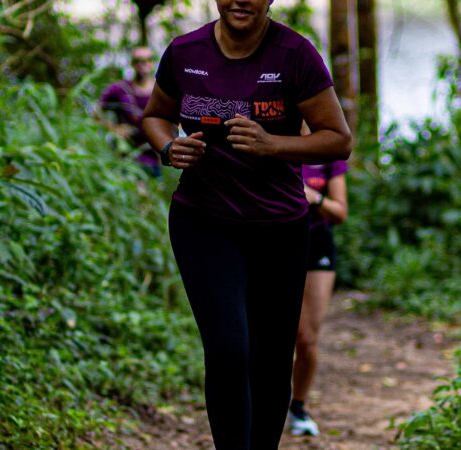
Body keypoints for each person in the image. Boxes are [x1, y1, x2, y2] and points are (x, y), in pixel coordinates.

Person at [141, 0, 352, 447]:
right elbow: (156, 115)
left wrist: (273, 145)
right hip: (204, 222)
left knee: (272, 360)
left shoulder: (295, 54)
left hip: (279, 229)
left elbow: (338, 139)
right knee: (228, 351)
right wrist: (168, 148)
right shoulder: (185, 52)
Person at [288, 160, 349, 436]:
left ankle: (298, 407)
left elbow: (340, 212)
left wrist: (315, 197)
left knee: (306, 337)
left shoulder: (327, 152)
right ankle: (260, 404)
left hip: (317, 244)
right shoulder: (271, 135)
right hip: (274, 240)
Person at [98, 46, 161, 177]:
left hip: (153, 158)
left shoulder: (162, 90)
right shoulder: (119, 89)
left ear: (152, 62)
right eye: (138, 60)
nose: (143, 63)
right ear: (132, 63)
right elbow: (96, 113)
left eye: (147, 59)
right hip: (126, 157)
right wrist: (114, 128)